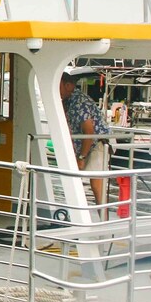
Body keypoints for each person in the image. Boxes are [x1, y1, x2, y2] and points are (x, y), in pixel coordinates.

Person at [60, 71, 109, 205]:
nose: (57, 91)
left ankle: (104, 221)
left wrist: (82, 157)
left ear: (69, 85)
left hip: (96, 144)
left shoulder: (80, 102)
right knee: (74, 181)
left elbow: (89, 132)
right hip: (83, 145)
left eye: (59, 86)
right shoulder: (67, 101)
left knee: (97, 185)